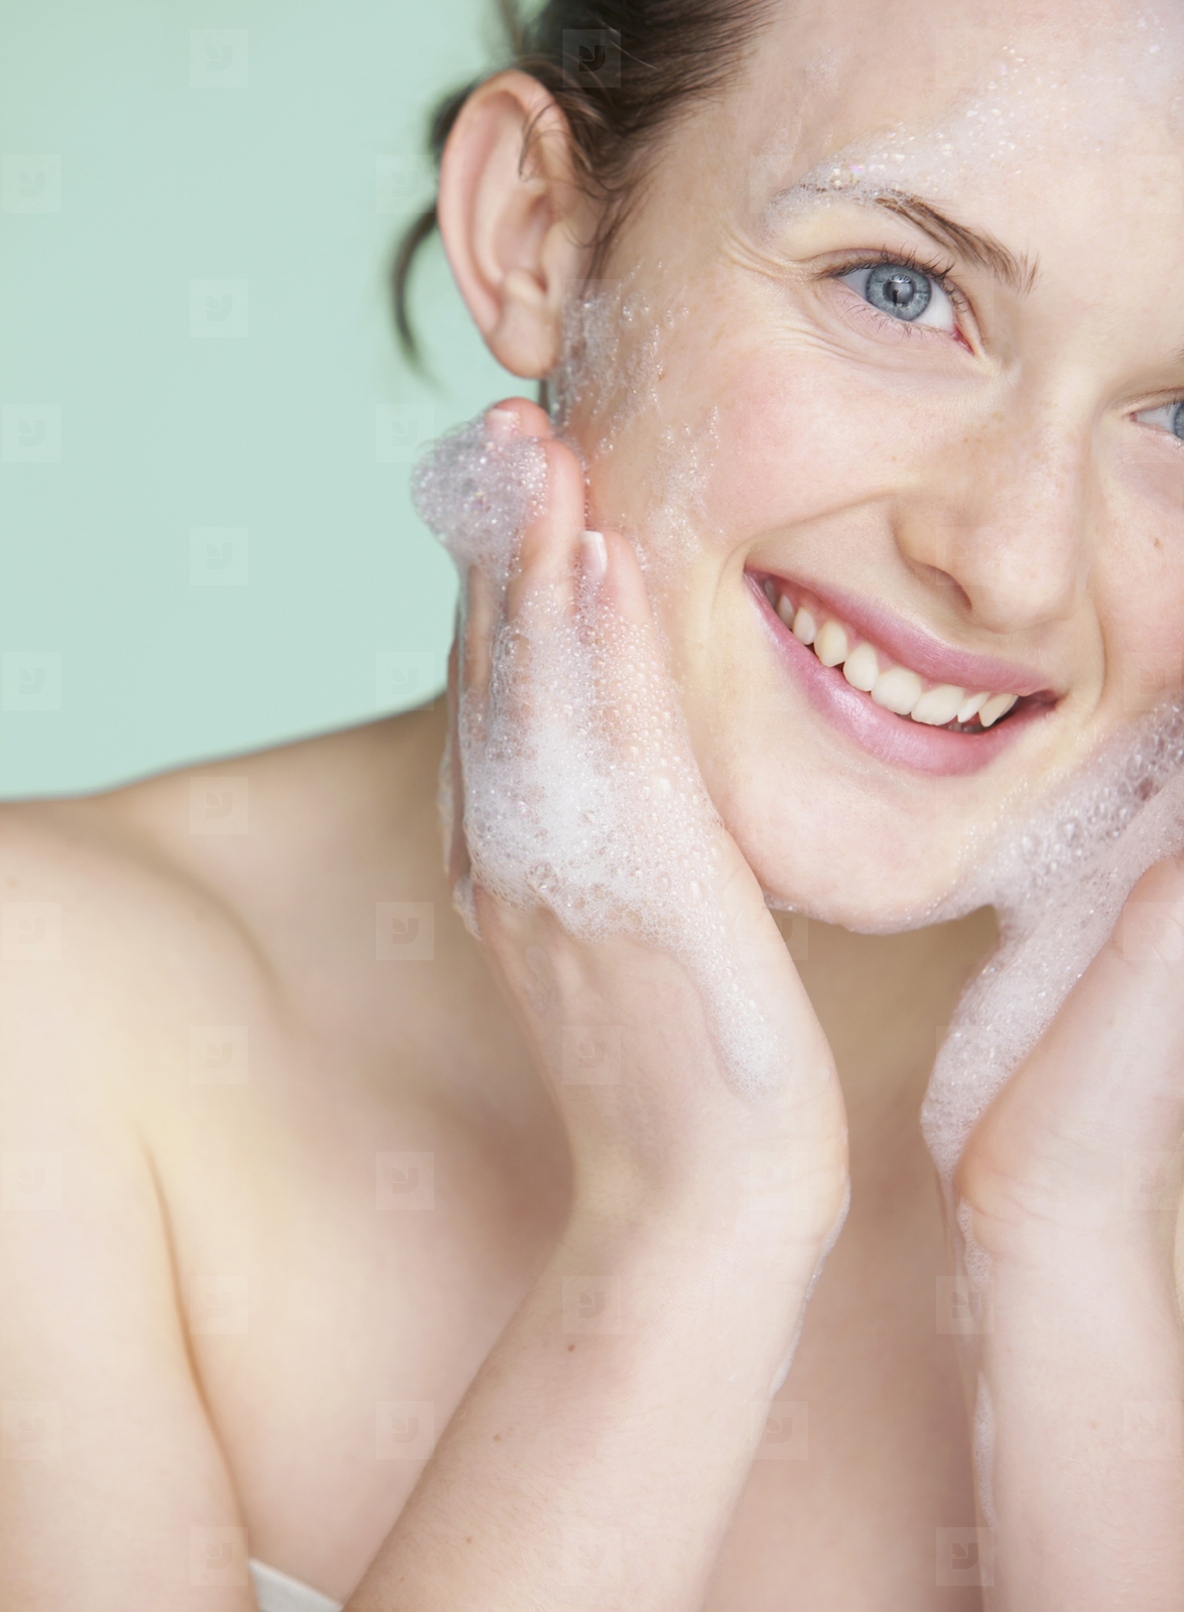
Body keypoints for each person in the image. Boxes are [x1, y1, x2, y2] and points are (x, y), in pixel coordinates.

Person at [4, 0, 1184, 1606]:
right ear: (539, 233)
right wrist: (689, 1230)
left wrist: (1073, 1251)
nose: (1013, 562)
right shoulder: (51, 1025)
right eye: (899, 290)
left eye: (1181, 417)